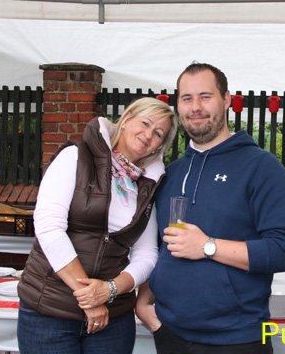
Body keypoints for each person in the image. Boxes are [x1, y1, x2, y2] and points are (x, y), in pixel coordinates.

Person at [136, 63, 285, 354]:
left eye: (205, 96)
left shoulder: (262, 168)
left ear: (226, 99)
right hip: (170, 335)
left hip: (236, 340)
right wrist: (144, 303)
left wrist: (207, 246)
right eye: (187, 98)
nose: (195, 107)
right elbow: (161, 249)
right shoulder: (171, 173)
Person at [17, 97, 177, 354]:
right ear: (127, 119)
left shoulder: (148, 183)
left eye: (158, 133)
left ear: (160, 145)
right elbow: (49, 227)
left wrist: (109, 290)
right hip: (51, 310)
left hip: (114, 316)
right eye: (145, 123)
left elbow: (147, 253)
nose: (148, 135)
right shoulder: (76, 156)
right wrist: (90, 299)